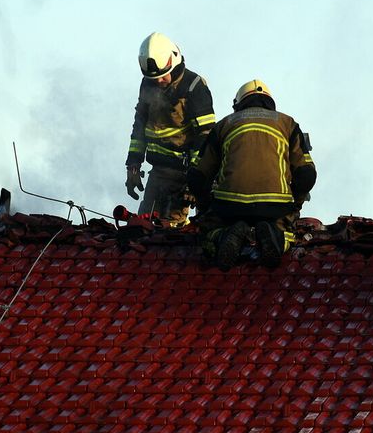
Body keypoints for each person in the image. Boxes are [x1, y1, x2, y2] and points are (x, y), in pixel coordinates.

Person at [188, 79, 316, 269]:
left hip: (230, 206)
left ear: (238, 104)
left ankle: (223, 235)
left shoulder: (223, 125)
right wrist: (294, 206)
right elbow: (306, 175)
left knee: (208, 230)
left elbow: (197, 176)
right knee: (287, 230)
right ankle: (278, 237)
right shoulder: (287, 123)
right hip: (275, 206)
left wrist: (206, 208)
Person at [125, 32, 215, 227]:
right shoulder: (148, 83)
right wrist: (133, 164)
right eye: (153, 78)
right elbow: (140, 125)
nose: (158, 81)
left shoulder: (194, 86)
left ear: (173, 63)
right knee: (143, 229)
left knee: (171, 238)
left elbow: (206, 136)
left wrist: (196, 179)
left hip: (185, 175)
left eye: (162, 76)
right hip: (158, 172)